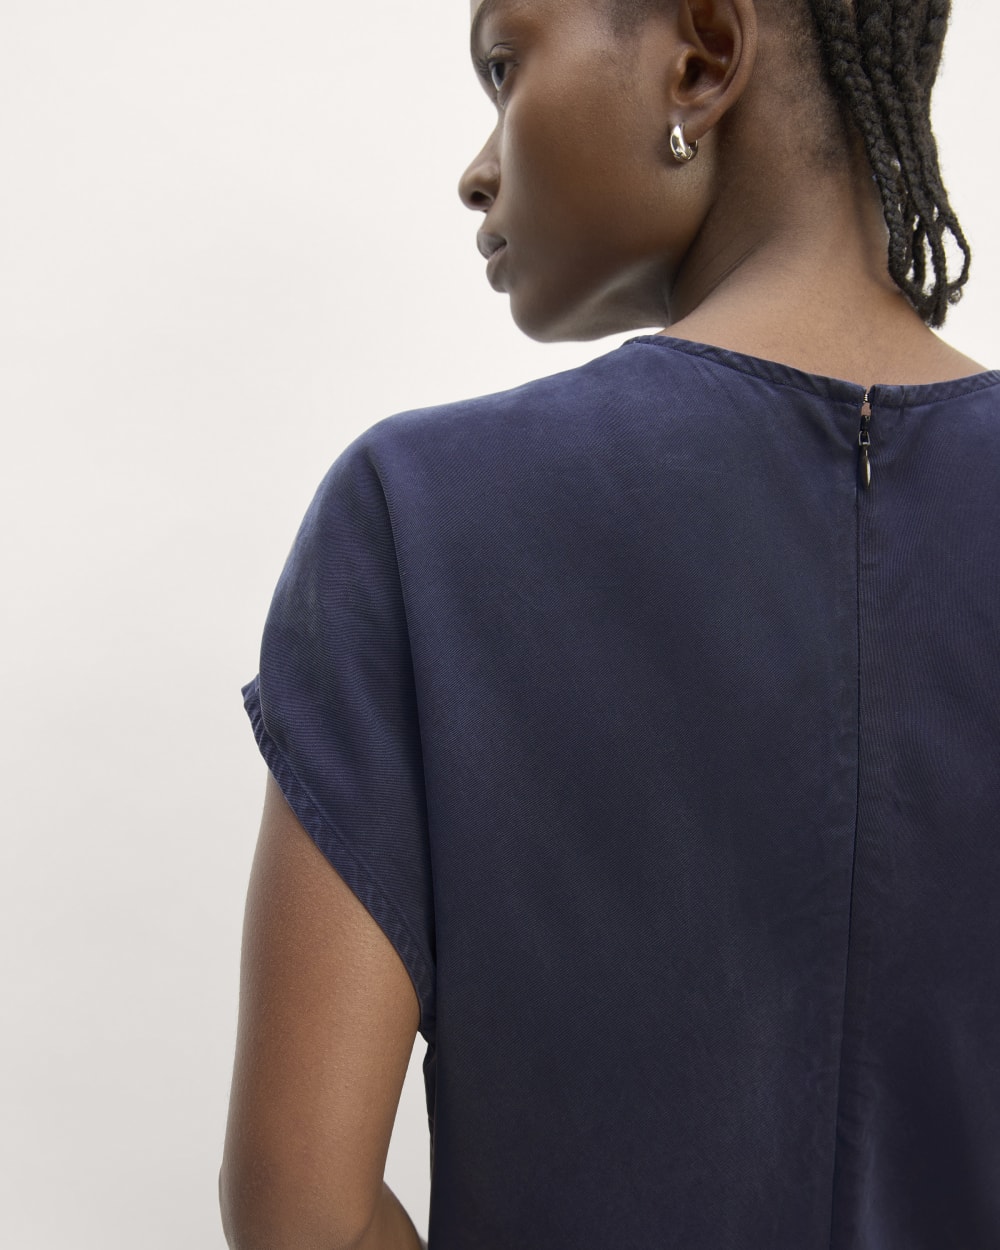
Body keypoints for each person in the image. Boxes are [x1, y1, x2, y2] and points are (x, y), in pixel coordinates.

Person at [220, 0, 1000, 1246]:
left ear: (702, 58)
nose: (477, 170)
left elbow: (301, 1210)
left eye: (503, 64)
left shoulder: (418, 516)